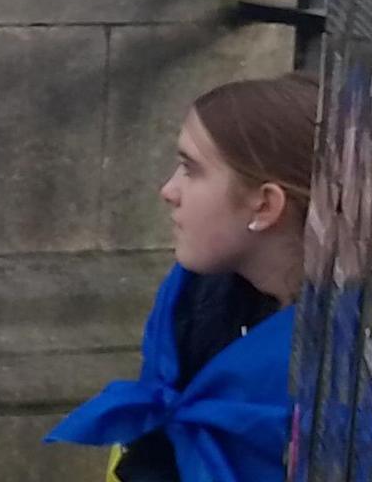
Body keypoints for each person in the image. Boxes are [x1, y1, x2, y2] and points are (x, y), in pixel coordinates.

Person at [50, 73, 317, 482]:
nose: (168, 190)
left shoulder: (339, 380)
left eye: (191, 170)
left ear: (264, 206)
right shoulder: (190, 304)